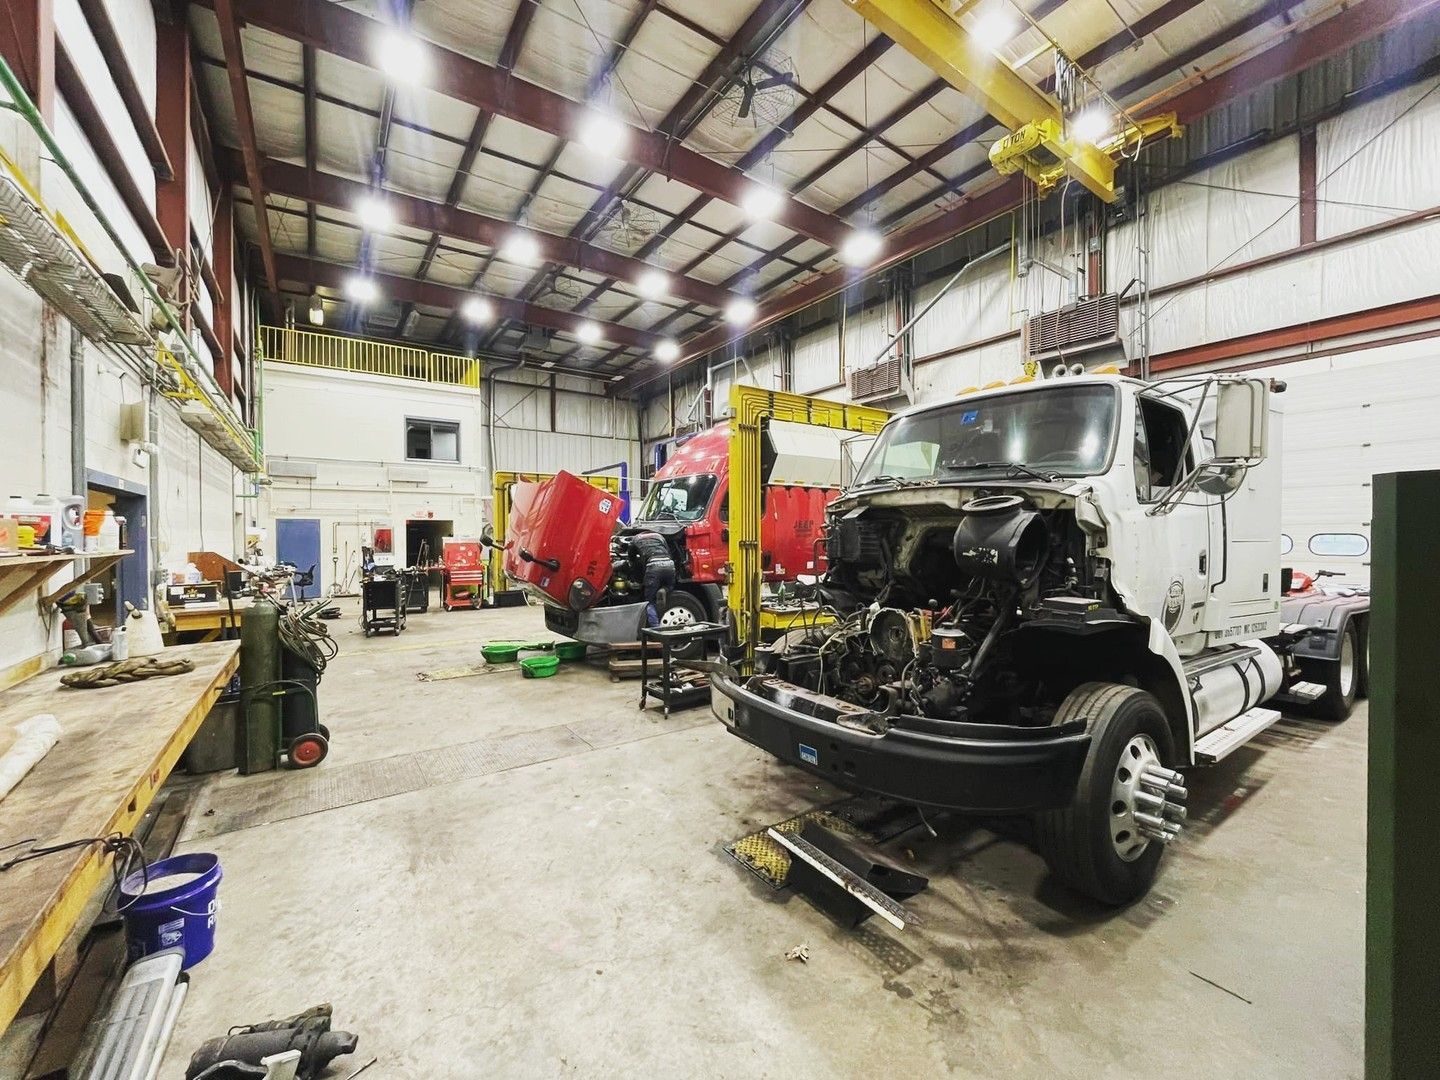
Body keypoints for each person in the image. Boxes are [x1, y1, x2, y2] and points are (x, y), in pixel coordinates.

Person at [626, 530, 676, 628]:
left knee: (649, 602)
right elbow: (669, 552)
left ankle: (656, 629)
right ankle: (664, 590)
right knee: (670, 585)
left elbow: (631, 558)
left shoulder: (636, 539)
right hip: (669, 564)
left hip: (653, 567)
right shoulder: (659, 536)